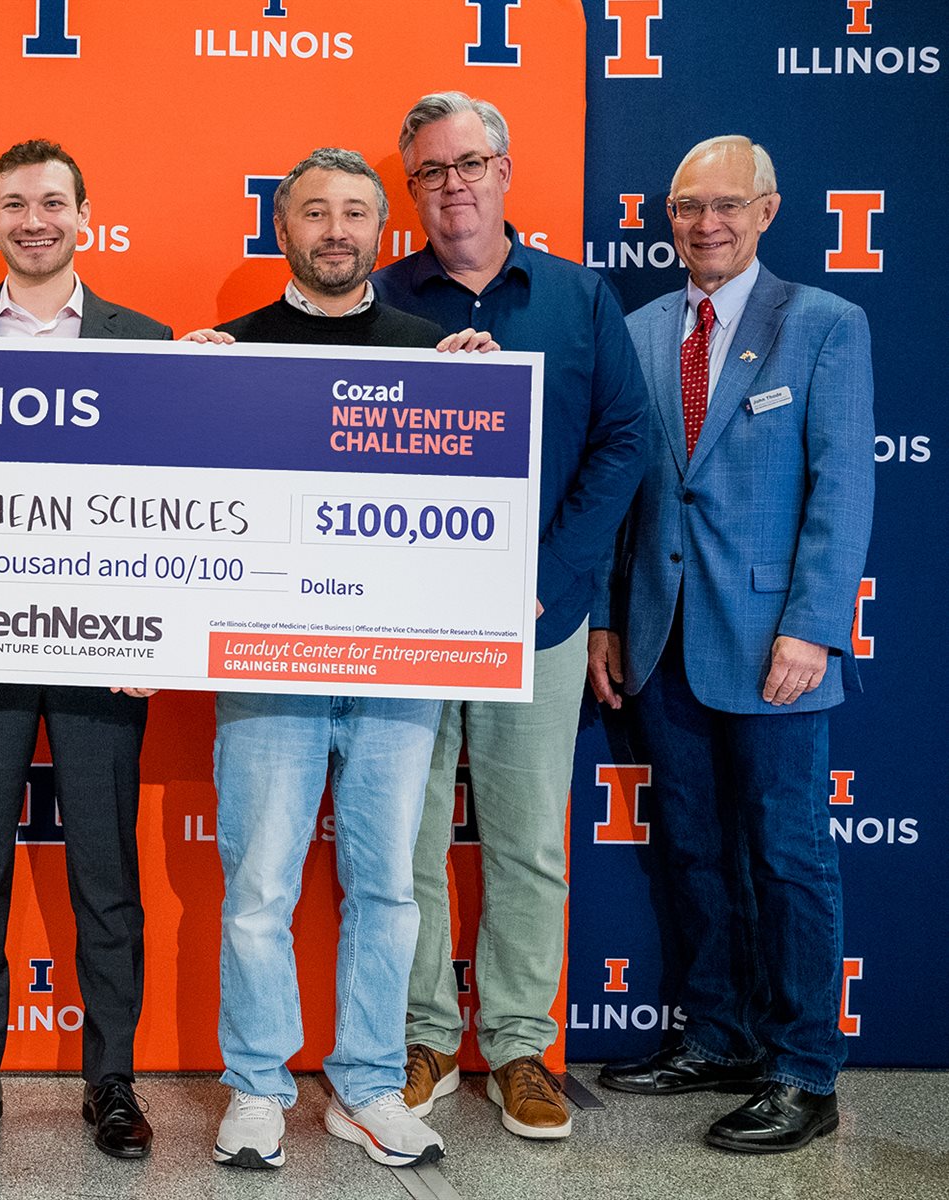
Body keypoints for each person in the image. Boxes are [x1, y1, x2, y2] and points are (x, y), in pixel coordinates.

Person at [186, 149, 493, 1172]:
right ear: (281, 229)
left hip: (397, 666)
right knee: (258, 890)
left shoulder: (433, 353)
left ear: (379, 230)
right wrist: (177, 388)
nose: (334, 230)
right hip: (268, 664)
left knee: (389, 890)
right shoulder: (227, 352)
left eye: (354, 213)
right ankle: (257, 1088)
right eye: (313, 213)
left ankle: (366, 1087)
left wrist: (485, 395)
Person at [372, 91, 649, 1141]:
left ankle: (521, 1046)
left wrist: (554, 569)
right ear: (412, 190)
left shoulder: (579, 298)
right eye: (430, 171)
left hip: (539, 613)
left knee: (528, 839)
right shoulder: (380, 300)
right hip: (407, 621)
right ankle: (424, 1036)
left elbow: (623, 439)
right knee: (405, 839)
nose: (453, 185)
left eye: (469, 164)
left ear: (503, 170)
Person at [591, 135, 873, 1154]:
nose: (704, 224)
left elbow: (843, 486)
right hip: (660, 640)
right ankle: (716, 1037)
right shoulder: (639, 330)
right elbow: (619, 488)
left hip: (772, 646)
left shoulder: (825, 325)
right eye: (686, 207)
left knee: (788, 859)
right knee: (694, 849)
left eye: (725, 205)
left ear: (766, 211)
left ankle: (803, 1070)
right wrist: (609, 620)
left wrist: (812, 627)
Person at [0, 139, 169, 1161]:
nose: (34, 220)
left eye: (52, 202)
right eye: (14, 203)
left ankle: (112, 1084)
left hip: (104, 646)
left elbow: (176, 502)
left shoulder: (145, 342)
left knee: (106, 873)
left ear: (83, 217)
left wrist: (162, 629)